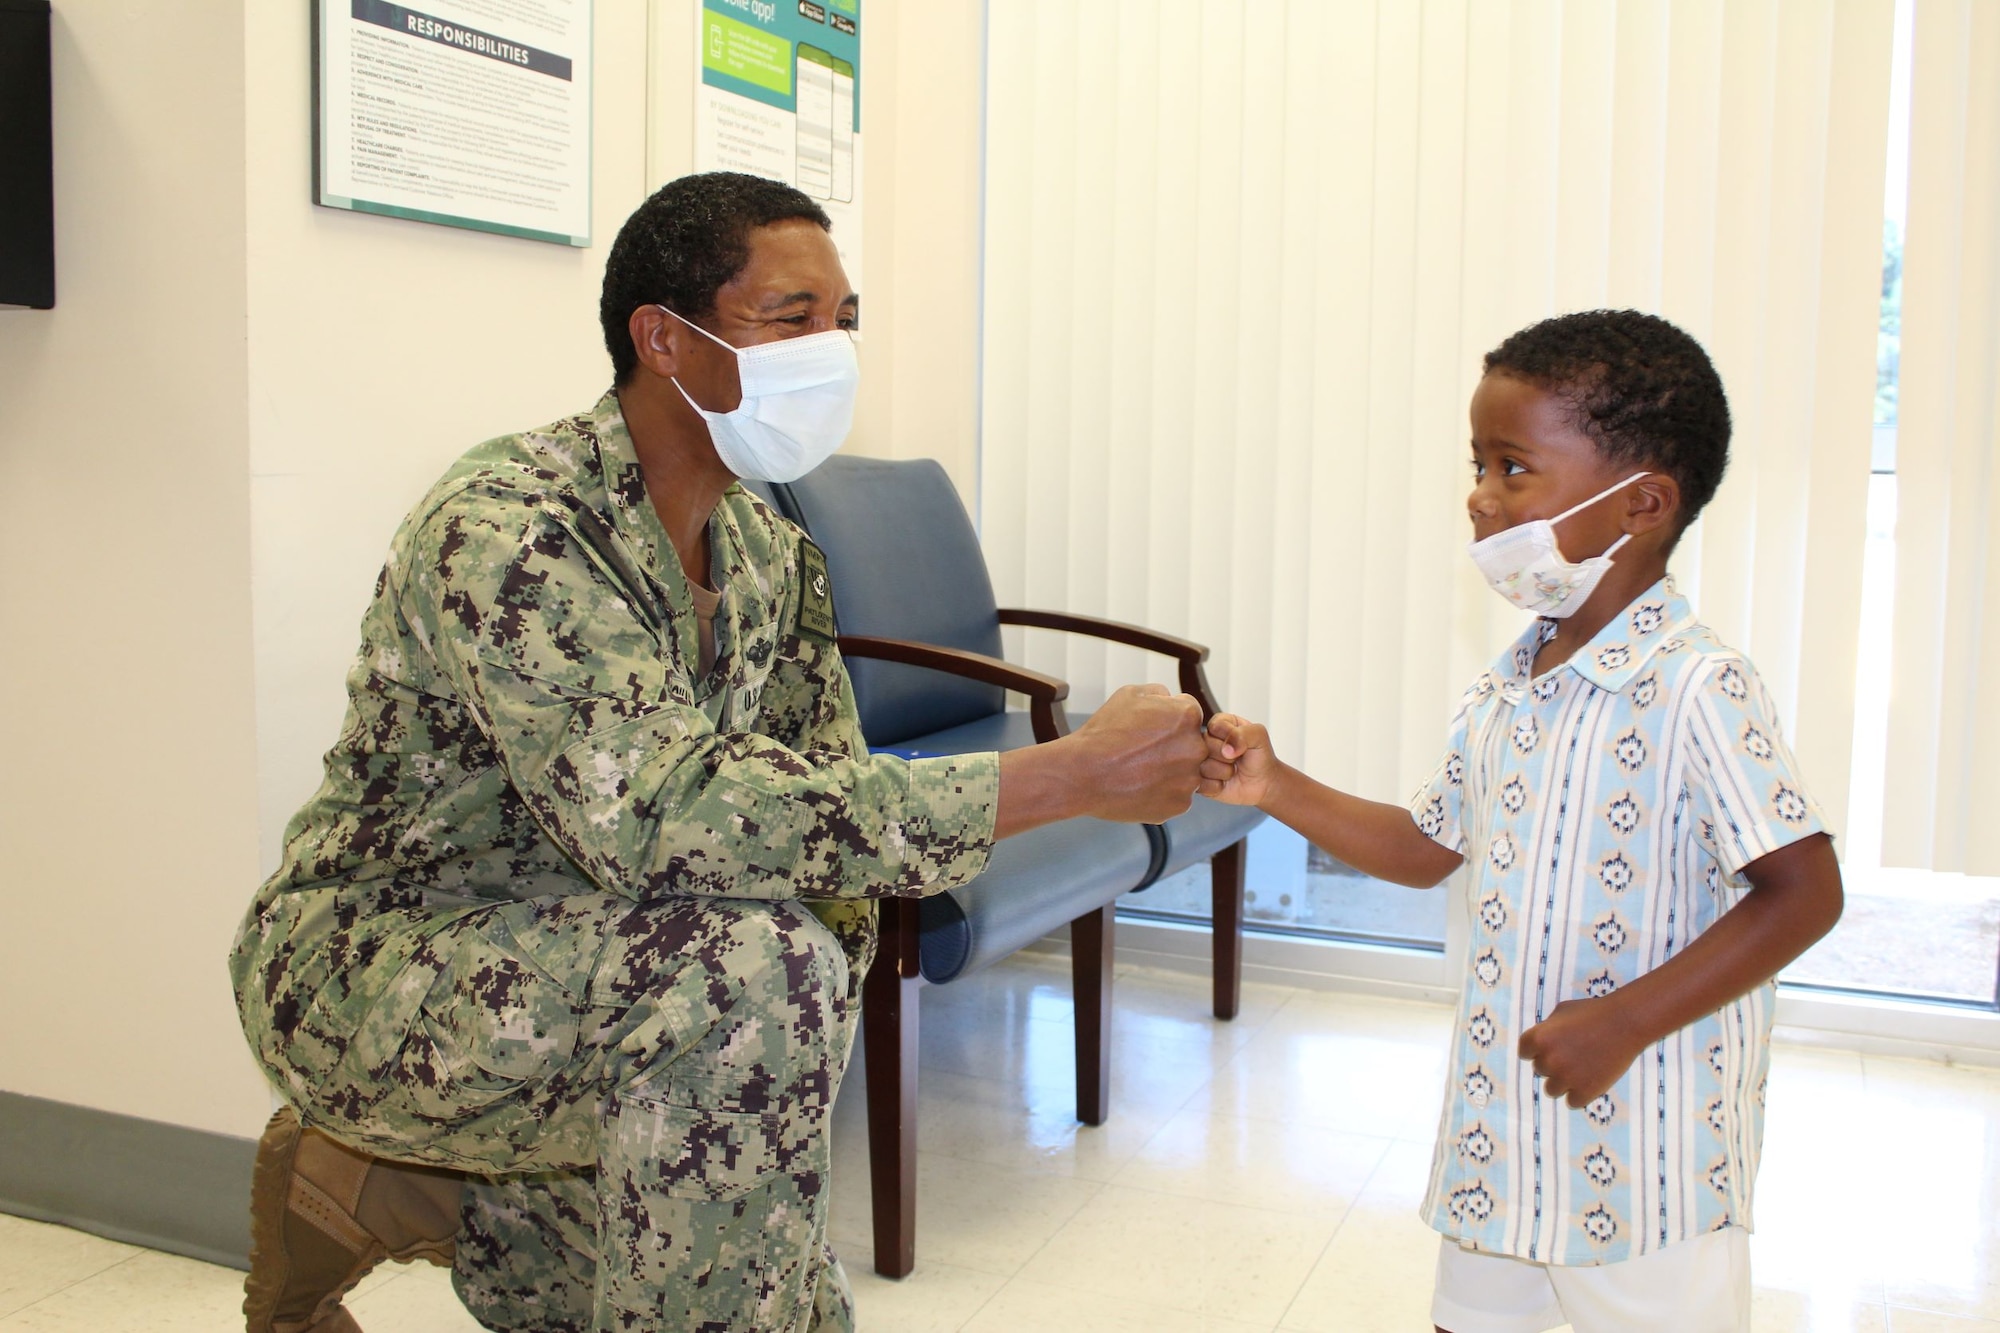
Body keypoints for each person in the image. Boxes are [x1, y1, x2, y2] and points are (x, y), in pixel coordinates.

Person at [228, 171, 1209, 1333]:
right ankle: (409, 1157)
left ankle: (385, 1186)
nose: (831, 351)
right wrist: (1068, 773)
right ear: (666, 341)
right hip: (379, 963)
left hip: (609, 971)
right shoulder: (511, 525)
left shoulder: (766, 554)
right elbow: (660, 812)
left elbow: (827, 823)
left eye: (843, 321)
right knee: (750, 977)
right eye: (788, 319)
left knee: (779, 1300)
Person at [1198, 310, 1843, 1333]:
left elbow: (1803, 892)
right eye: (1477, 463)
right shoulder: (1505, 686)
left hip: (1647, 1167)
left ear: (1639, 503)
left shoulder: (1697, 687)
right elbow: (1424, 849)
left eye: (1510, 467)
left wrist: (1624, 1019)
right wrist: (1276, 785)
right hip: (1499, 1145)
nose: (1477, 496)